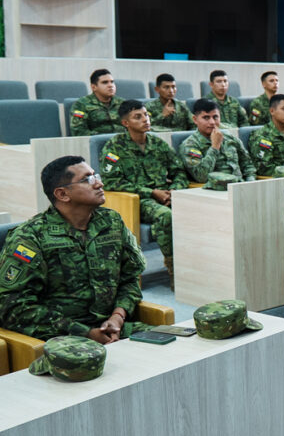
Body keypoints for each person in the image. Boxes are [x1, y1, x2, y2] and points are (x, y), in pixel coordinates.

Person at [0, 156, 147, 342]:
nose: (99, 184)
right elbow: (11, 306)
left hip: (114, 327)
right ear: (62, 194)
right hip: (60, 336)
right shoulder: (30, 237)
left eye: (96, 176)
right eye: (88, 180)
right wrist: (84, 332)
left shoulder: (111, 222)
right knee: (88, 362)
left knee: (175, 344)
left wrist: (118, 316)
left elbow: (130, 277)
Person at [98, 100, 188, 283]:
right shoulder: (114, 147)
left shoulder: (157, 143)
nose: (145, 119)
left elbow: (178, 171)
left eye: (146, 115)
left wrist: (174, 192)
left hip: (165, 196)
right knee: (165, 216)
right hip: (137, 200)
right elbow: (111, 182)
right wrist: (151, 192)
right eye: (137, 117)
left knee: (196, 209)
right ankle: (174, 269)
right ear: (126, 123)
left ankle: (194, 265)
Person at [180, 99, 256, 184]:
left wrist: (250, 182)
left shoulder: (230, 138)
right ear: (195, 119)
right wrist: (215, 147)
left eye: (215, 117)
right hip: (213, 191)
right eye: (206, 117)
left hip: (239, 188)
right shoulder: (190, 145)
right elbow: (201, 177)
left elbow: (248, 165)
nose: (212, 122)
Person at [70, 68, 123, 136]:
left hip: (123, 143)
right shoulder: (81, 104)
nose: (110, 85)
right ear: (94, 87)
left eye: (112, 82)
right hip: (97, 143)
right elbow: (78, 131)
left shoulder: (122, 103)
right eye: (105, 82)